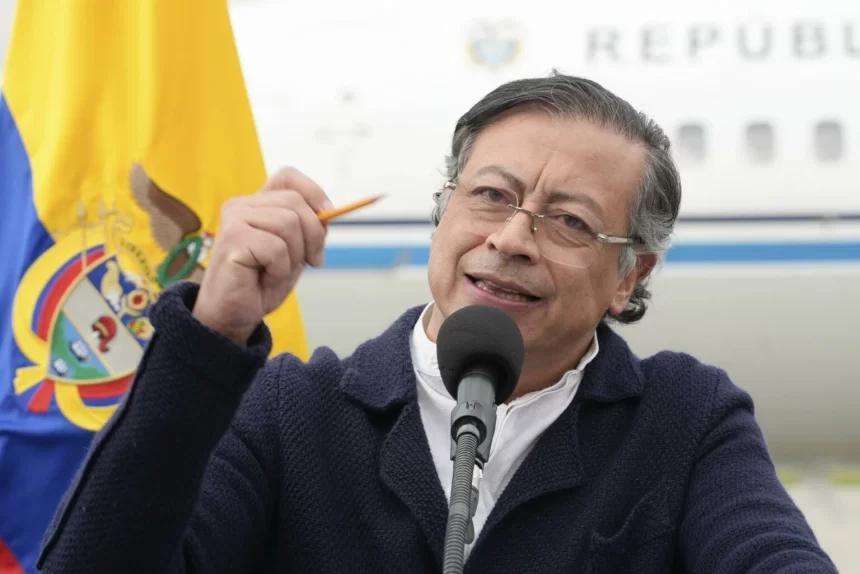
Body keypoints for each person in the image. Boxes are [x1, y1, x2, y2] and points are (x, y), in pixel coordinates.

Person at [37, 74, 836, 573]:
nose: (512, 238)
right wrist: (210, 338)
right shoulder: (290, 412)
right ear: (442, 212)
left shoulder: (685, 421)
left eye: (569, 221)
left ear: (631, 276)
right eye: (490, 196)